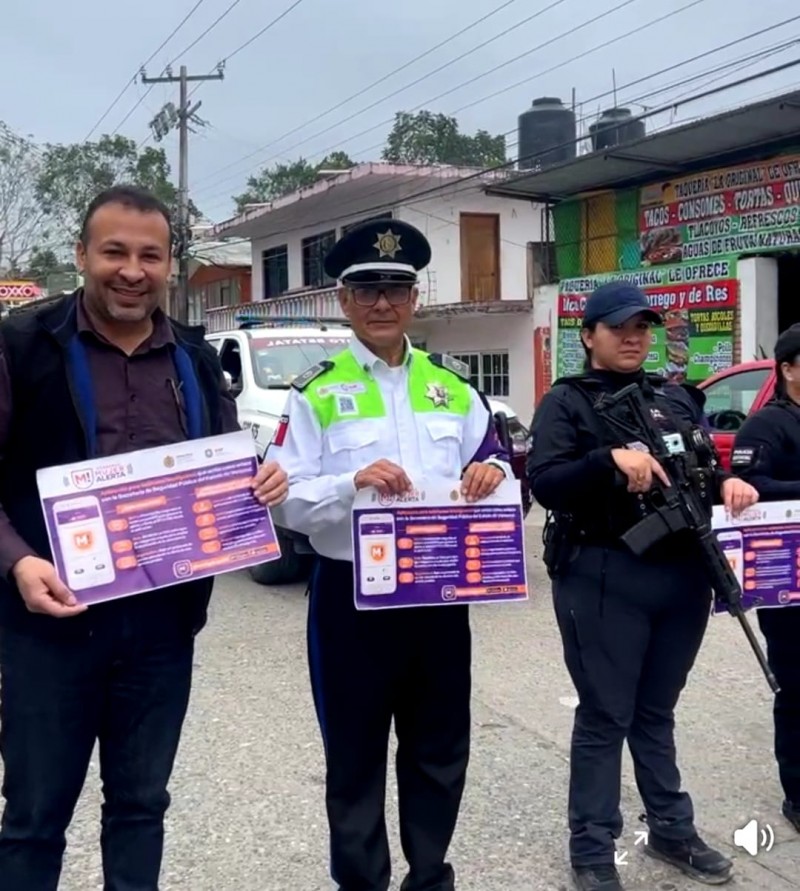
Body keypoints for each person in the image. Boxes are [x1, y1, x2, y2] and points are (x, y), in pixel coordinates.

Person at [0, 184, 288, 891]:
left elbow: (225, 463)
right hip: (48, 627)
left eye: (150, 256)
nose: (132, 271)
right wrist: (18, 561)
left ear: (169, 265)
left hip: (161, 628)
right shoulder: (21, 345)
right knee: (34, 817)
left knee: (140, 807)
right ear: (81, 255)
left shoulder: (193, 356)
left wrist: (259, 485)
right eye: (115, 252)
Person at [265, 219, 512, 891]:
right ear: (343, 301)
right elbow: (285, 501)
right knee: (353, 755)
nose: (382, 303)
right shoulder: (314, 391)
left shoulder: (453, 386)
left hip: (437, 596)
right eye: (367, 290)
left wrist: (492, 475)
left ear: (414, 299)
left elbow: (497, 466)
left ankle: (429, 876)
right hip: (353, 597)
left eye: (396, 290)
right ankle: (362, 881)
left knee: (440, 749)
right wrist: (352, 482)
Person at [526, 282, 758, 891]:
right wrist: (607, 461)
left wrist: (729, 484)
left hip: (682, 577)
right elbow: (545, 483)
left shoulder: (674, 398)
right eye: (618, 328)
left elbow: (700, 468)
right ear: (589, 335)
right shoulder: (568, 401)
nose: (632, 338)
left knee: (656, 711)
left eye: (641, 329)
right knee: (606, 714)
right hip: (605, 573)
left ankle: (671, 830)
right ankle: (592, 848)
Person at [728, 324, 800, 835]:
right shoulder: (767, 425)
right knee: (797, 688)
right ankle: (797, 793)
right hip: (790, 579)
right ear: (788, 369)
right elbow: (750, 487)